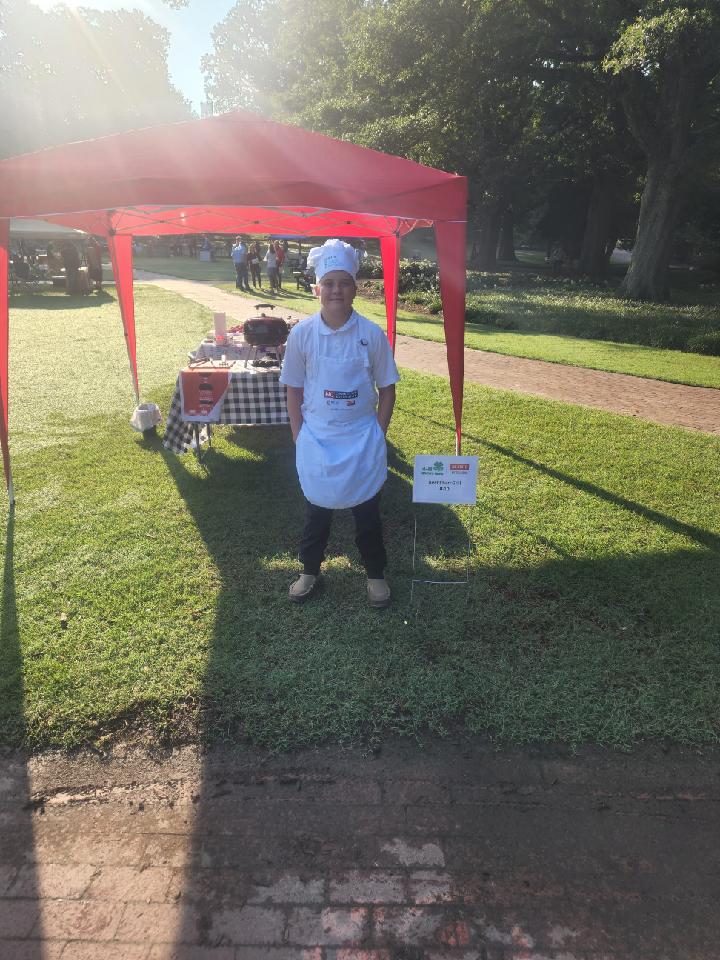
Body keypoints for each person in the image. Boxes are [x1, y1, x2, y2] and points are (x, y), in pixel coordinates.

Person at [279, 239, 399, 607]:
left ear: (354, 289)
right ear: (317, 289)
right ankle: (308, 571)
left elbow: (388, 389)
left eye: (343, 283)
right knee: (317, 512)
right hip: (317, 437)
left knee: (367, 515)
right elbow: (294, 390)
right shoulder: (302, 335)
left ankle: (376, 576)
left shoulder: (371, 335)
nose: (335, 290)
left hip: (362, 438)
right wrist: (300, 436)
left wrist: (377, 434)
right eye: (328, 283)